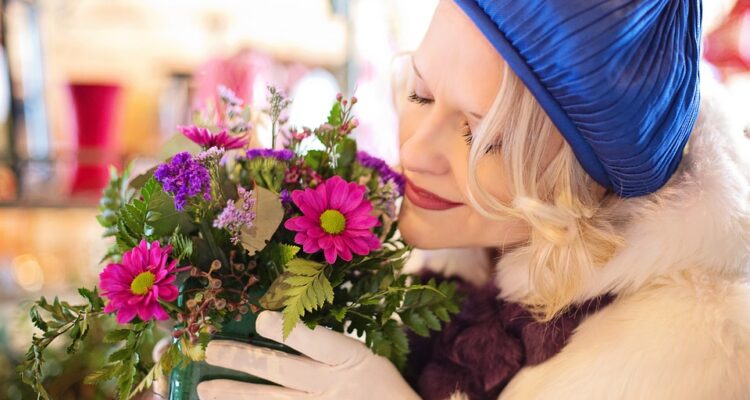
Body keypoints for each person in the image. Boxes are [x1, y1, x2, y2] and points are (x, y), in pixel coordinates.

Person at [196, 0, 750, 399]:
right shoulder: (454, 255)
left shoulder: (697, 361)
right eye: (419, 93)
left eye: (485, 137)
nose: (415, 150)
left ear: (584, 180)